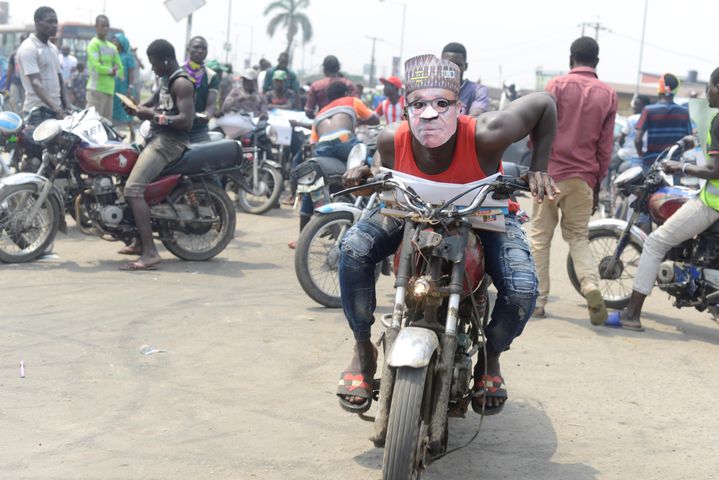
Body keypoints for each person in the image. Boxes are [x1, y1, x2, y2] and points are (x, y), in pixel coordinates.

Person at [336, 54, 558, 415]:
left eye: (442, 104)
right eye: (419, 105)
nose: (429, 114)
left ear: (459, 106)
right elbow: (384, 177)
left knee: (522, 288)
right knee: (353, 250)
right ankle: (363, 348)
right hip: (410, 209)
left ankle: (491, 357)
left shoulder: (487, 134)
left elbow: (545, 103)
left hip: (483, 213)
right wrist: (365, 177)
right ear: (405, 107)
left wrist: (539, 168)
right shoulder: (392, 138)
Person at [606, 67, 719, 331]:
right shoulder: (708, 119)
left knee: (656, 242)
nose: (707, 93)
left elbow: (715, 170)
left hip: (713, 203)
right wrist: (692, 142)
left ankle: (632, 314)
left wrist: (679, 167)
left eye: (710, 86)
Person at [528, 37, 617, 323]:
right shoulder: (608, 94)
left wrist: (535, 160)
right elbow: (606, 147)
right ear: (597, 62)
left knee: (540, 238)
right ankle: (590, 284)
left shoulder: (556, 86)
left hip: (550, 174)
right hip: (584, 176)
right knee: (578, 238)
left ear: (571, 59)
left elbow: (538, 129)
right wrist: (598, 180)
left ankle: (539, 301)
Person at [118, 39, 195, 271]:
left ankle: (150, 252)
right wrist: (136, 107)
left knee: (133, 189)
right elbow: (154, 102)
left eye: (153, 63)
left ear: (164, 60)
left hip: (170, 141)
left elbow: (185, 120)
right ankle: (139, 240)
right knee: (122, 174)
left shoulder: (182, 83)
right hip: (155, 136)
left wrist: (151, 116)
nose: (151, 68)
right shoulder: (164, 79)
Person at [288, 81, 379, 249]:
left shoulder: (320, 113)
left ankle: (302, 239)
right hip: (345, 141)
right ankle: (376, 211)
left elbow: (313, 141)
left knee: (313, 183)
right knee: (371, 168)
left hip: (322, 148)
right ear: (345, 93)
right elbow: (374, 119)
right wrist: (356, 120)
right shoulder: (351, 100)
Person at [16, 6, 70, 122]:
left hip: (56, 111)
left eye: (56, 22)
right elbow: (36, 84)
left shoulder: (53, 49)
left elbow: (60, 80)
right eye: (50, 21)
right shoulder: (29, 48)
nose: (54, 25)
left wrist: (67, 106)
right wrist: (58, 110)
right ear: (37, 22)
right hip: (37, 113)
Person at [635, 73, 693, 169]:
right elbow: (690, 141)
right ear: (676, 90)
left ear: (659, 89)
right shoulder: (684, 112)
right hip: (674, 165)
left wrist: (640, 153)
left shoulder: (648, 110)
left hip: (651, 162)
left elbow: (637, 140)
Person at [86, 14, 123, 120]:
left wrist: (112, 70)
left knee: (107, 124)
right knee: (92, 121)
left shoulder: (112, 47)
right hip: (95, 90)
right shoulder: (93, 44)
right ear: (96, 27)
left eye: (107, 26)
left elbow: (120, 68)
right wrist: (111, 70)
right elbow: (96, 66)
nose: (105, 28)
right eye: (102, 26)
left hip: (109, 90)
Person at [182, 36, 219, 143]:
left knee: (206, 156)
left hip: (198, 129)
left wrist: (206, 114)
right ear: (188, 49)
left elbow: (211, 104)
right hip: (175, 126)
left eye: (204, 48)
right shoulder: (178, 70)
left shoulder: (211, 76)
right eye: (196, 47)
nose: (200, 51)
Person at [441, 42, 490, 117]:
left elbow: (475, 116)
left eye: (458, 65)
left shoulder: (477, 91)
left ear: (465, 66)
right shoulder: (427, 90)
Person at [111, 33, 137, 140]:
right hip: (113, 87)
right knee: (113, 111)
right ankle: (114, 134)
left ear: (122, 43)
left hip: (125, 88)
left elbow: (131, 72)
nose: (114, 42)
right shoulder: (113, 54)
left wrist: (130, 87)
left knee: (127, 110)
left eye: (116, 41)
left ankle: (132, 132)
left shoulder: (128, 56)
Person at [617, 95, 651, 166]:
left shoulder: (632, 119)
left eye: (636, 104)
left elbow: (621, 139)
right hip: (646, 157)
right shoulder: (653, 119)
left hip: (627, 155)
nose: (634, 107)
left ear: (644, 106)